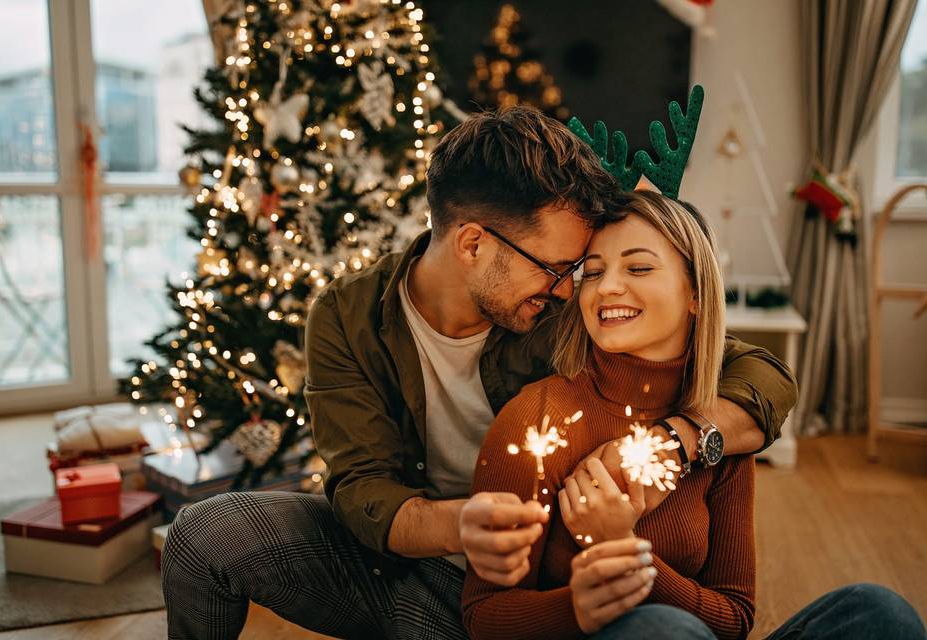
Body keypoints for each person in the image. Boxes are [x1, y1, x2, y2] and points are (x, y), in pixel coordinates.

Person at [162, 106, 798, 640]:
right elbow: (357, 488)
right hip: (395, 560)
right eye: (558, 268)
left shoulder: (561, 309)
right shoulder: (347, 314)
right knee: (204, 534)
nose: (571, 289)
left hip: (521, 587)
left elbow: (757, 375)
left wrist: (677, 441)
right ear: (473, 245)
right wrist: (459, 523)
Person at [462, 190, 925, 640]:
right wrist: (576, 610)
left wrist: (627, 552)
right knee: (662, 630)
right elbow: (485, 614)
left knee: (880, 612)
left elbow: (734, 618)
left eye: (639, 267)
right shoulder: (537, 419)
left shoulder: (719, 421)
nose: (607, 287)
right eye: (593, 272)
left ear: (697, 295)